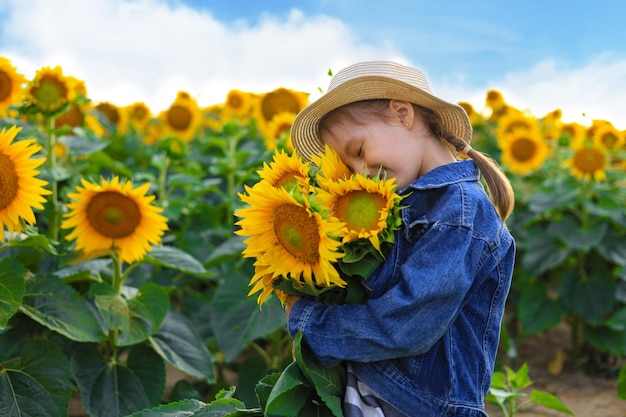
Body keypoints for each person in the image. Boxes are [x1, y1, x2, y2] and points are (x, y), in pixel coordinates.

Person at [284, 61, 516, 417]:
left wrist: (308, 320)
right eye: (349, 168)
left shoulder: (460, 215)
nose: (362, 175)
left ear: (403, 114)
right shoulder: (402, 209)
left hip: (420, 406)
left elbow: (406, 327)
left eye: (359, 151)